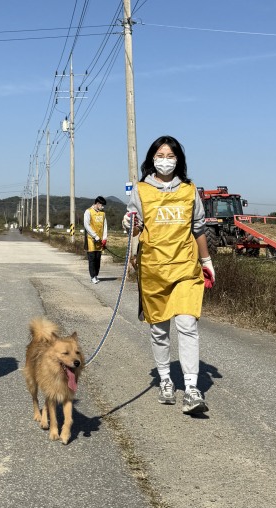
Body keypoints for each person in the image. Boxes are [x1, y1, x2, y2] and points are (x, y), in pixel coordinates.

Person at [122, 135, 215, 415]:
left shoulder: (189, 190)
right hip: (154, 269)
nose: (165, 160)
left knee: (188, 325)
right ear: (152, 158)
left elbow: (198, 228)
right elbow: (134, 229)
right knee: (159, 329)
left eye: (170, 155)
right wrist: (129, 224)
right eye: (160, 155)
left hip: (186, 267)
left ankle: (191, 389)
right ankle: (165, 380)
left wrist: (207, 261)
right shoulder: (141, 190)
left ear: (178, 159)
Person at [83, 196, 108, 284]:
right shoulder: (88, 211)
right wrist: (95, 236)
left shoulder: (103, 213)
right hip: (91, 239)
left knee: (98, 258)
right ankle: (92, 276)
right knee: (92, 258)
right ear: (97, 204)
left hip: (100, 240)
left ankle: (96, 275)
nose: (102, 207)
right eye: (102, 205)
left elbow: (105, 226)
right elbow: (87, 225)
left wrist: (104, 238)